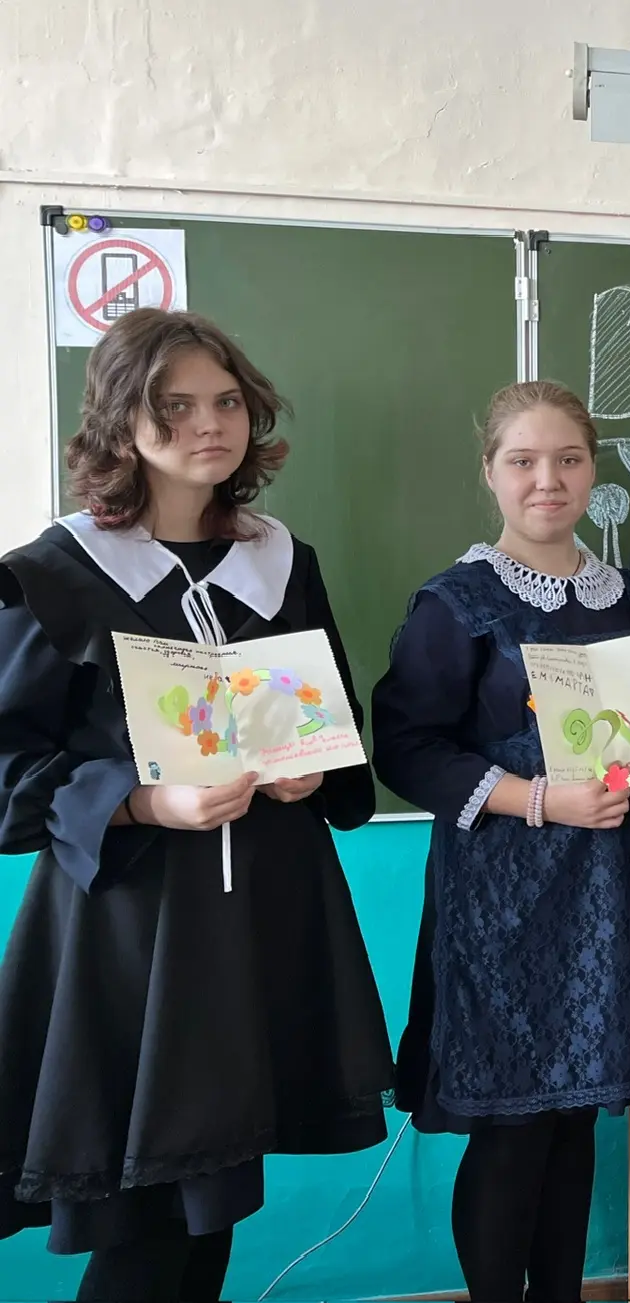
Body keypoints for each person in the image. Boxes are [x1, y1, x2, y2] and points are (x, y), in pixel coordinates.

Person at [0, 308, 393, 1302]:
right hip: (133, 935)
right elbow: (8, 767)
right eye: (174, 405)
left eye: (227, 401)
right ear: (120, 421)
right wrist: (141, 802)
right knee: (142, 1226)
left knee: (214, 1207)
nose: (209, 423)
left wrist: (313, 771)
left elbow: (335, 727)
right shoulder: (53, 576)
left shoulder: (281, 562)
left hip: (259, 915)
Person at [371, 380, 630, 1303]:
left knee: (577, 1115)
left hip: (613, 891)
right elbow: (407, 749)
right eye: (524, 460)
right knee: (513, 1124)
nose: (547, 479)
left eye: (568, 459)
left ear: (593, 471)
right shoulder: (456, 602)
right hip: (504, 902)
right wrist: (540, 797)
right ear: (491, 473)